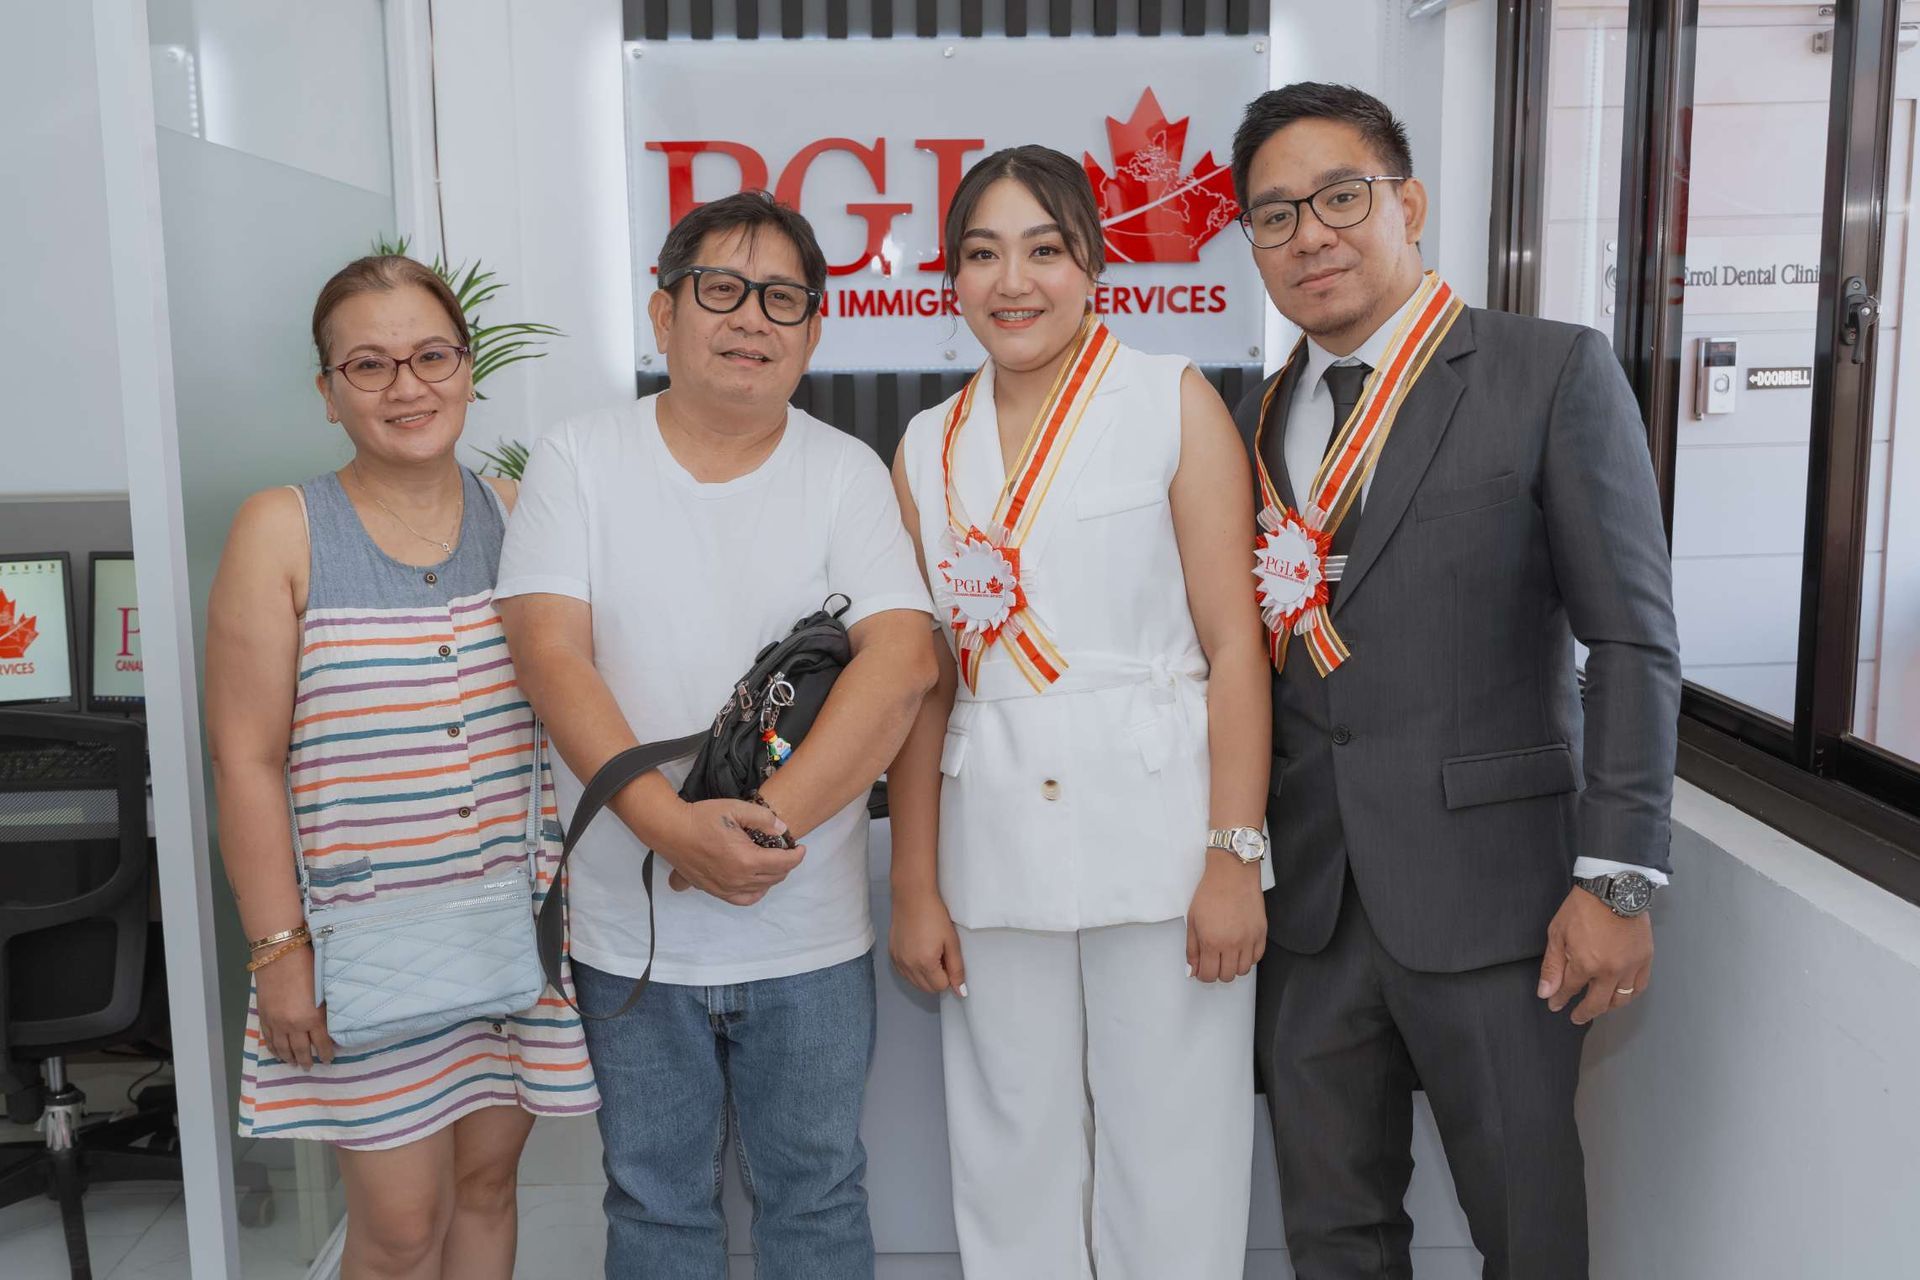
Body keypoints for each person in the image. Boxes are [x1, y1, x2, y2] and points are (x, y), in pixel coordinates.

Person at [1229, 83, 1682, 1277]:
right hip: (1311, 910)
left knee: (1526, 1230)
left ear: (1408, 202)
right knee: (1332, 1233)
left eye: (1339, 196)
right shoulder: (1250, 416)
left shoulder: (1549, 372)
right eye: (1274, 216)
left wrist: (1619, 879)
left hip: (1503, 907)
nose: (1310, 235)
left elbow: (1632, 642)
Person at [493, 190, 936, 1280]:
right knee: (654, 1203)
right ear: (664, 311)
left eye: (782, 298)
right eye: (722, 290)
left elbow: (906, 662)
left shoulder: (846, 470)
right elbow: (552, 655)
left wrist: (758, 835)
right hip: (627, 929)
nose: (751, 318)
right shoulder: (580, 458)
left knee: (819, 1193)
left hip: (812, 933)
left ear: (815, 331)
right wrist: (670, 830)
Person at [887, 146, 1273, 1278]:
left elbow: (1235, 646)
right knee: (1009, 1157)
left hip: (1163, 844)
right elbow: (923, 680)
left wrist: (1233, 854)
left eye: (1044, 249)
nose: (1015, 281)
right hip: (991, 844)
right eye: (983, 253)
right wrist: (917, 881)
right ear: (950, 280)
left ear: (1094, 265)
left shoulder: (1171, 398)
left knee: (1175, 1153)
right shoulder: (924, 444)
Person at [206, 254, 599, 1280]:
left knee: (485, 1190)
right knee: (396, 1231)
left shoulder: (522, 514)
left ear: (468, 369)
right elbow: (244, 761)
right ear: (329, 393)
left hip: (513, 933)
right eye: (369, 365)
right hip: (364, 948)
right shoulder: (281, 528)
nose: (406, 387)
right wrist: (279, 950)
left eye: (430, 356)